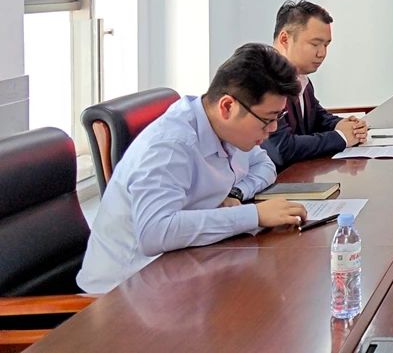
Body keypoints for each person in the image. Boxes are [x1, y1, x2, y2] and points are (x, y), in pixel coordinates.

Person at [77, 44, 310, 293]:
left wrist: (236, 193)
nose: (273, 129)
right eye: (267, 119)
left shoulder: (229, 130)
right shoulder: (169, 146)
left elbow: (263, 164)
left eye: (277, 118)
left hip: (182, 267)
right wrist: (254, 215)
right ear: (227, 107)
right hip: (124, 291)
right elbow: (155, 231)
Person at [264, 0, 367, 170]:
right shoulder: (264, 80)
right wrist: (341, 138)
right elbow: (281, 148)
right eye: (315, 44)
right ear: (284, 39)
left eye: (326, 45)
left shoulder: (301, 77)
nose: (322, 53)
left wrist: (346, 126)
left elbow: (317, 117)